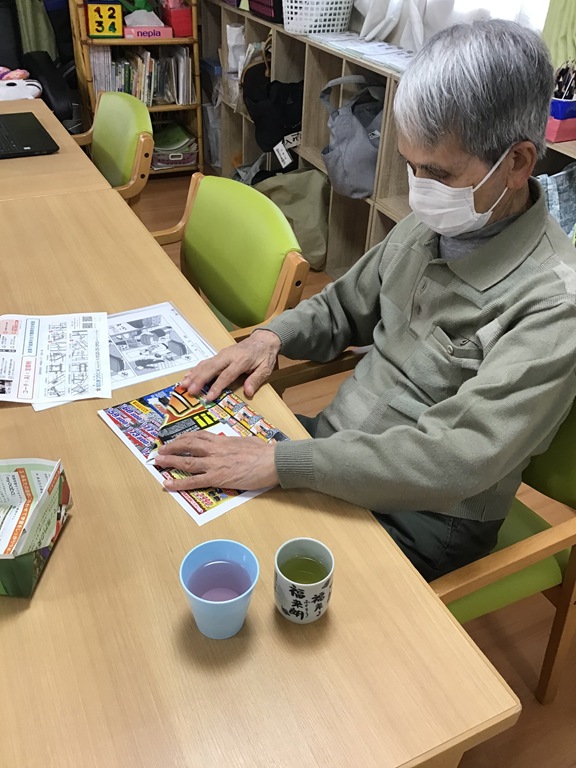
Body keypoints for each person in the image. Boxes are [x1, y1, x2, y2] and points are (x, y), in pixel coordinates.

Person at [155, 20, 576, 581]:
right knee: (173, 498)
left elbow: (455, 458)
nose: (418, 188)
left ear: (518, 162)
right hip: (333, 449)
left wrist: (282, 461)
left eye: (437, 173)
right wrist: (271, 337)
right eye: (410, 166)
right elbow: (342, 306)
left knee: (245, 579)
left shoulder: (554, 303)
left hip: (423, 517)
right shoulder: (438, 221)